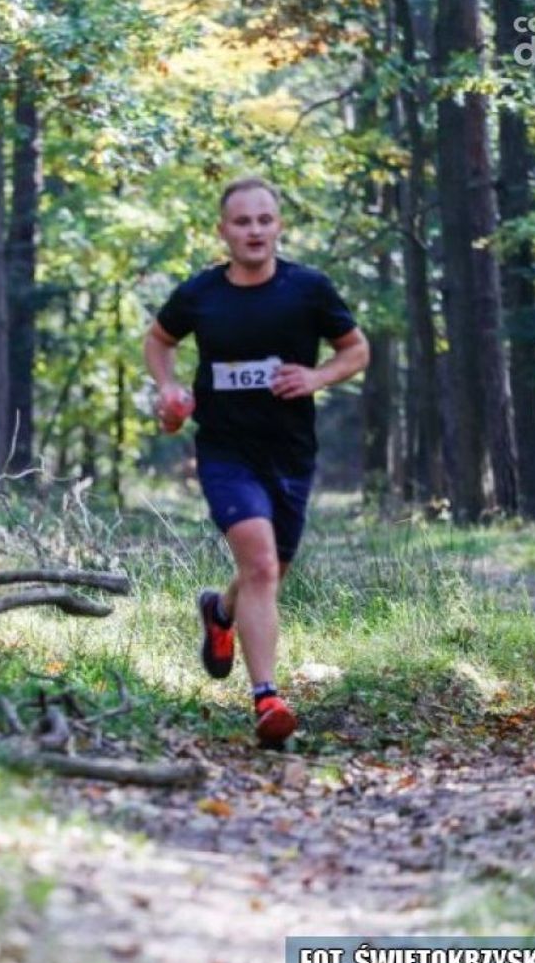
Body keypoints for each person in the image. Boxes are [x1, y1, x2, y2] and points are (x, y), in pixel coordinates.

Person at [143, 177, 369, 747]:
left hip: (290, 453)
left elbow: (356, 350)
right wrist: (168, 388)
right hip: (225, 451)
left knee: (267, 572)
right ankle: (266, 697)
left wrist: (316, 376)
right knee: (262, 565)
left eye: (264, 220)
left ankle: (220, 613)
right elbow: (159, 340)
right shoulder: (201, 294)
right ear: (223, 231)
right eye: (242, 222)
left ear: (279, 226)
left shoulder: (308, 289)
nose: (254, 231)